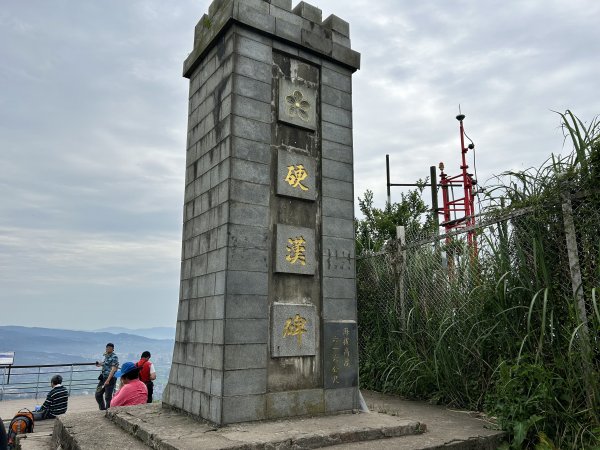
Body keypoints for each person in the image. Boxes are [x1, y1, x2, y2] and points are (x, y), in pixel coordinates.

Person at [95, 342, 119, 410]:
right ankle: (102, 409)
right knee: (98, 394)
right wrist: (100, 364)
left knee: (108, 397)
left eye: (109, 348)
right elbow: (106, 364)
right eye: (107, 347)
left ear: (112, 349)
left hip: (110, 379)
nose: (107, 349)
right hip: (103, 378)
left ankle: (108, 411)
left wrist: (108, 380)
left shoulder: (114, 357)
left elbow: (113, 369)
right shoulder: (106, 355)